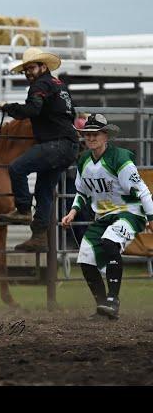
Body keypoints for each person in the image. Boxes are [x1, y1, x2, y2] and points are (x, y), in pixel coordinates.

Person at [62, 114, 153, 320]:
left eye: (96, 134)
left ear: (106, 136)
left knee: (110, 241)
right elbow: (82, 192)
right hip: (104, 216)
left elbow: (142, 191)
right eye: (87, 134)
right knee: (85, 257)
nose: (91, 138)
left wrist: (151, 217)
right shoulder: (84, 160)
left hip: (129, 213)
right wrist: (72, 212)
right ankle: (103, 307)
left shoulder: (120, 159)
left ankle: (113, 300)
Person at [0, 47, 79, 251]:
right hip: (69, 146)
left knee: (17, 168)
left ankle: (23, 209)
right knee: (43, 190)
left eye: (31, 68)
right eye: (25, 69)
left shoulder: (39, 85)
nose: (28, 72)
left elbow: (33, 109)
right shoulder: (59, 85)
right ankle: (39, 236)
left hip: (55, 144)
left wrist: (9, 108)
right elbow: (71, 114)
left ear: (43, 66)